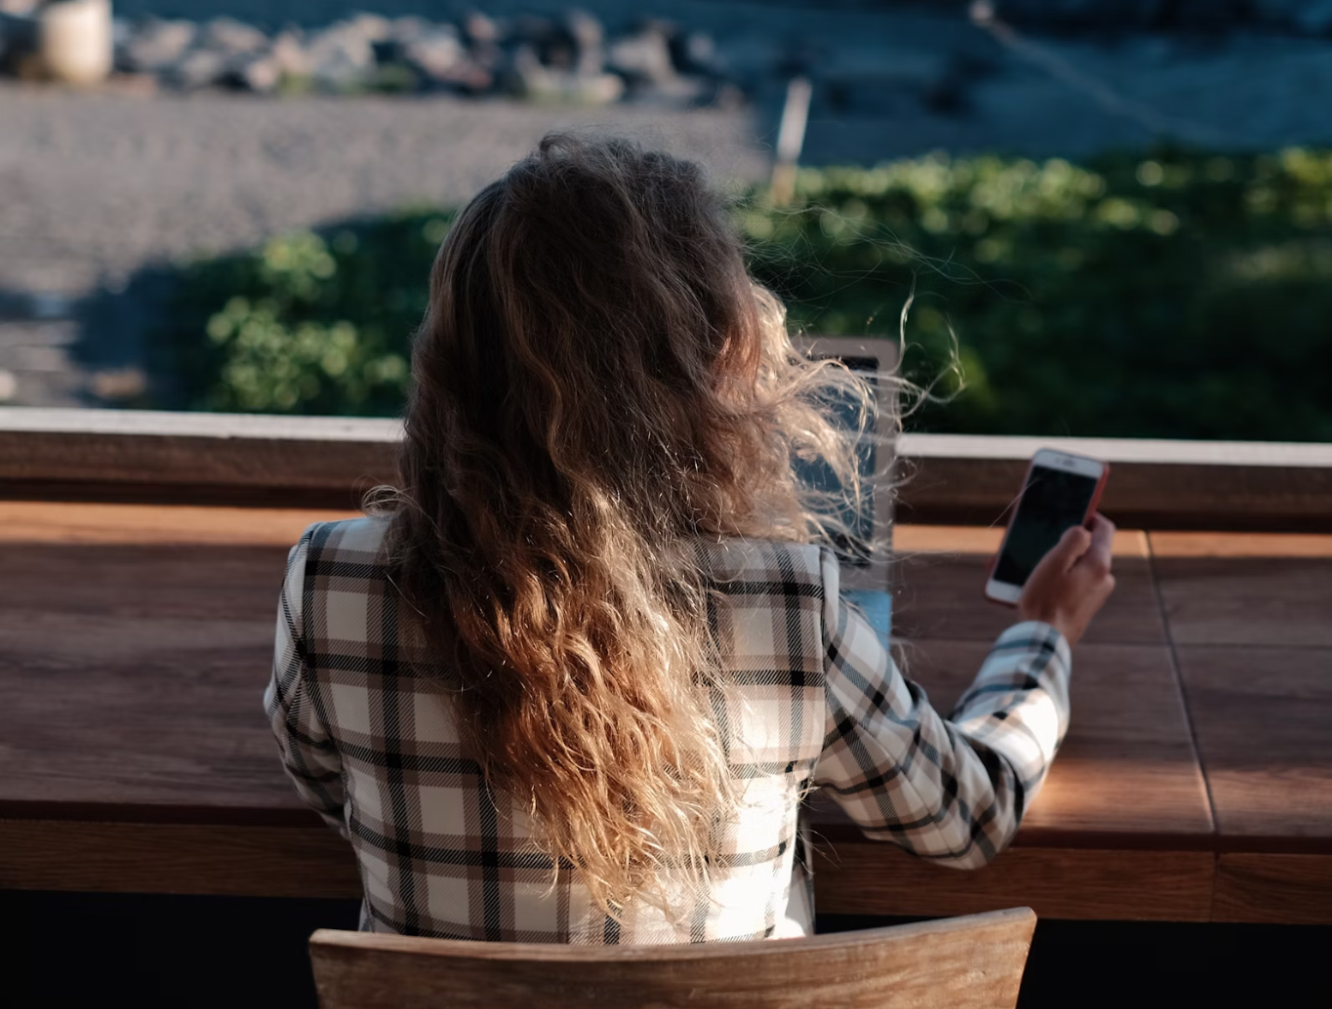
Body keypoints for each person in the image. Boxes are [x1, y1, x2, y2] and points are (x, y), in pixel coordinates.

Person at [265, 133, 1116, 945]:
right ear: (714, 358)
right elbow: (971, 815)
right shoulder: (785, 602)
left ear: (450, 355)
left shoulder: (332, 579)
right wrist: (1042, 634)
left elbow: (324, 783)